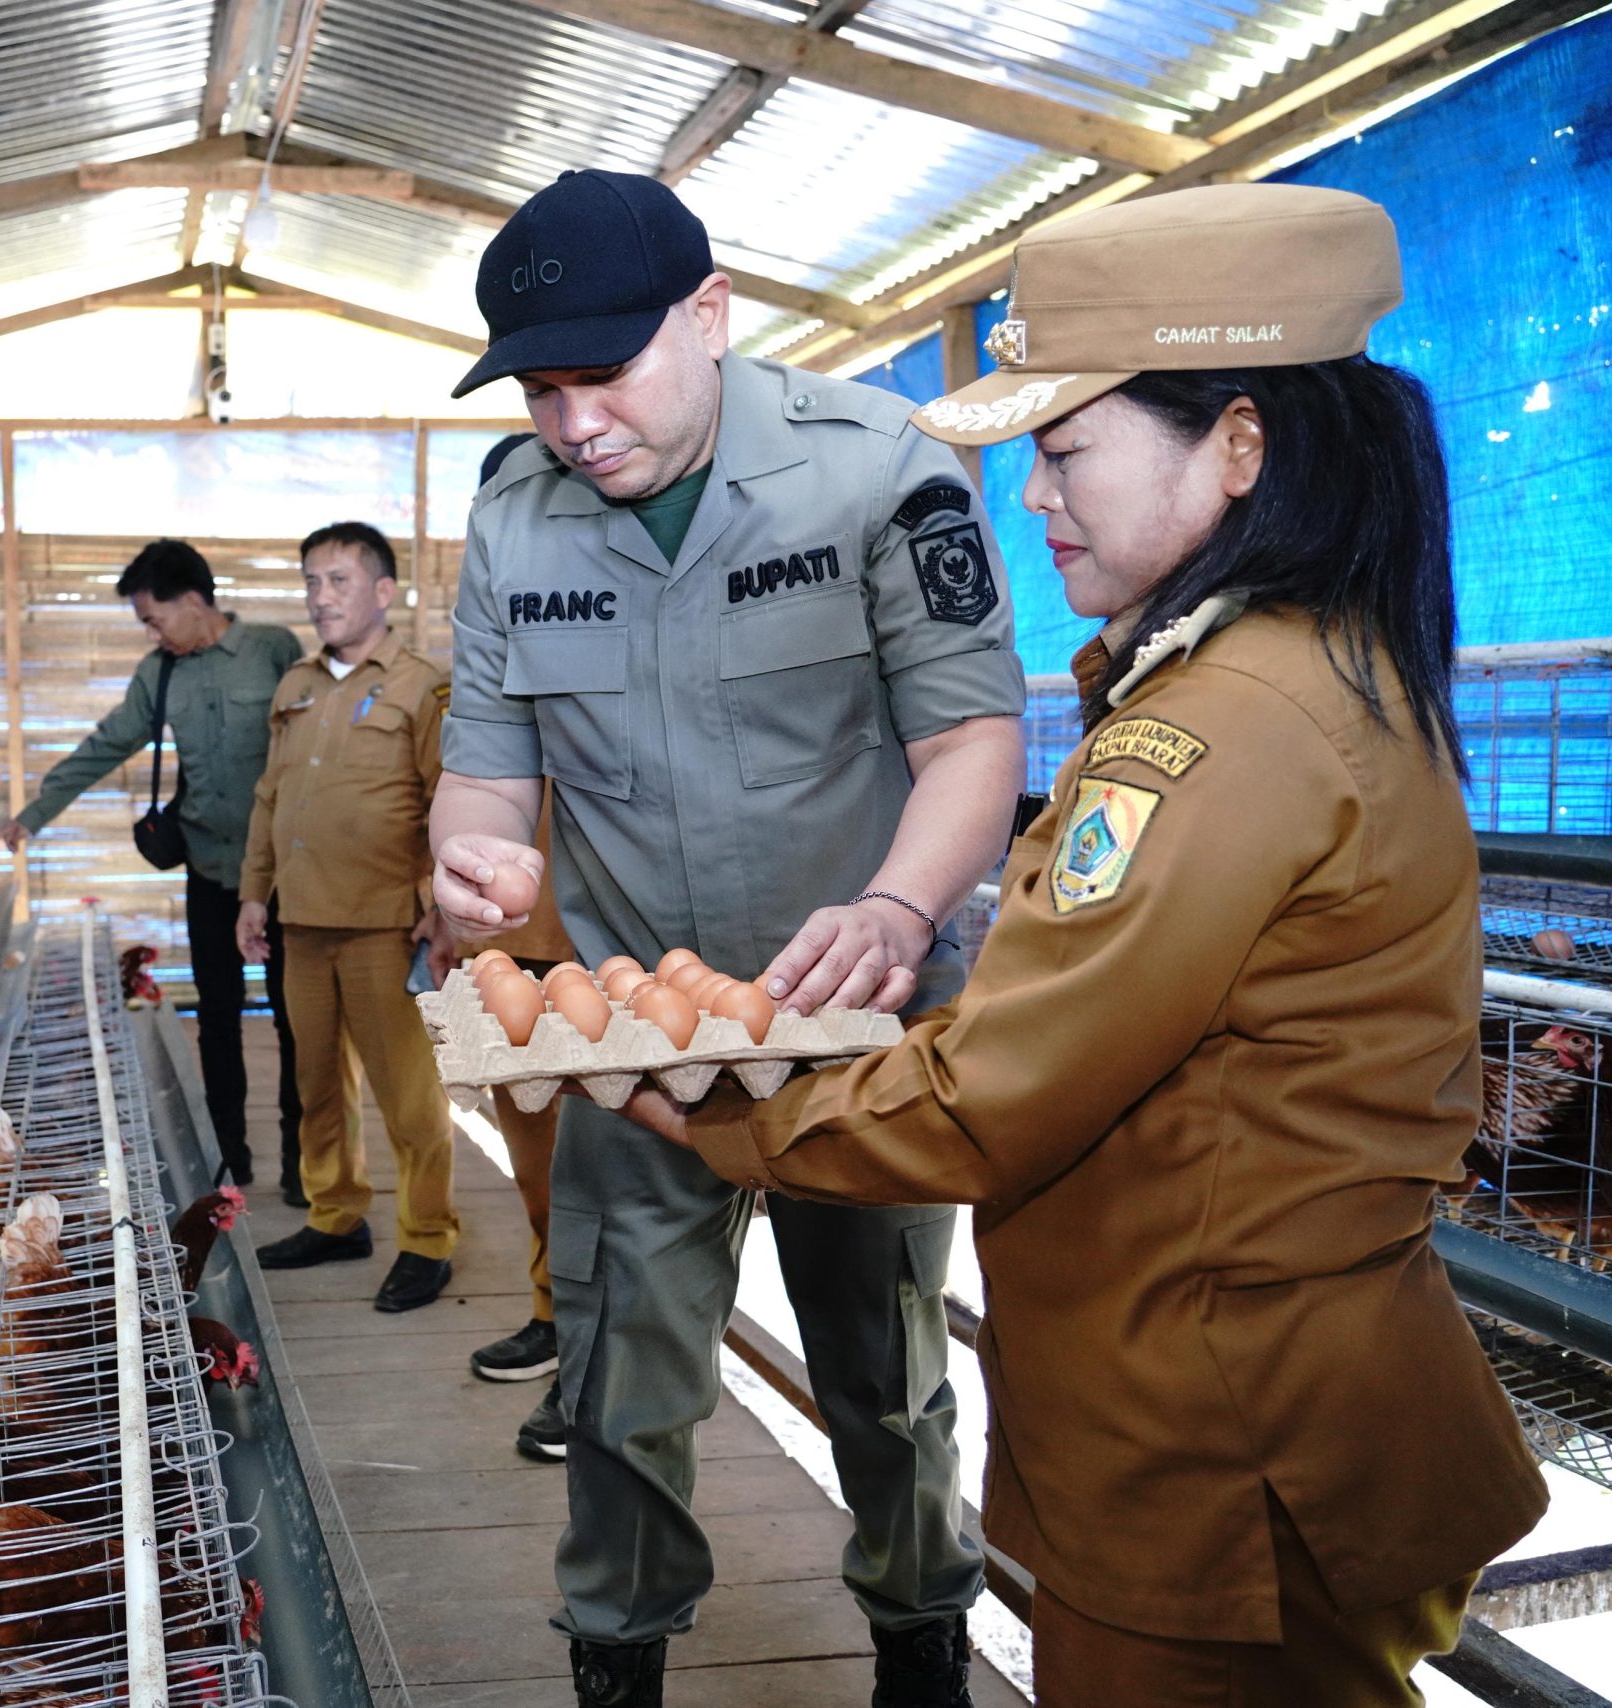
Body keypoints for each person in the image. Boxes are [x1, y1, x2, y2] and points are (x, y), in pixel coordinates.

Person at [623, 182, 1548, 1705]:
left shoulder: (1220, 727)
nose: (1032, 501)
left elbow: (1001, 1093)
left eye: (1063, 453)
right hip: (1267, 1399)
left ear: (1240, 445)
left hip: (1218, 1449)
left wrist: (730, 1104)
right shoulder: (1321, 669)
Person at [430, 169, 1026, 1708]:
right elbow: (485, 780)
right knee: (622, 1380)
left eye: (604, 374)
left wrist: (898, 910)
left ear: (711, 311)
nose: (573, 425)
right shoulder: (511, 518)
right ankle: (617, 1659)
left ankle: (920, 1643)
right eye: (542, 389)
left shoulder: (877, 470)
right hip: (642, 1039)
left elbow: (972, 738)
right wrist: (474, 872)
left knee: (884, 1375)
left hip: (863, 1026)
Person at [0, 538, 303, 1187]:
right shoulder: (159, 673)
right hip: (209, 872)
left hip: (285, 875)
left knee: (296, 1018)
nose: (150, 631)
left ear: (193, 601)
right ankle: (231, 1157)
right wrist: (34, 814)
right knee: (217, 1019)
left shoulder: (274, 650)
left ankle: (308, 1166)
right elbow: (106, 744)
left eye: (152, 617)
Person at [238, 522, 463, 1313]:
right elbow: (272, 798)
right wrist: (253, 894)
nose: (321, 597)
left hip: (383, 925)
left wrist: (441, 905)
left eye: (337, 581)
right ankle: (336, 1215)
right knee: (315, 1083)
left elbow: (450, 802)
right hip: (302, 922)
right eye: (311, 582)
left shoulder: (420, 685)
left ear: (381, 592)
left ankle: (428, 1237)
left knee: (409, 1097)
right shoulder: (295, 685)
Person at [461, 434, 586, 1465]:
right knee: (539, 1166)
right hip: (515, 951)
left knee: (618, 1175)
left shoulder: (639, 613)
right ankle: (556, 1317)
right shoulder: (487, 639)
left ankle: (594, 1366)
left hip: (611, 951)